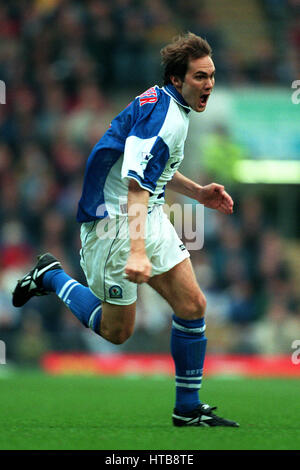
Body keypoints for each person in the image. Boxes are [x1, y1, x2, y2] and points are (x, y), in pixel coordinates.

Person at [12, 32, 239, 428]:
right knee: (118, 332)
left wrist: (197, 192)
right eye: (201, 77)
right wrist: (137, 250)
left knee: (193, 306)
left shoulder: (169, 105)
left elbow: (154, 170)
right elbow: (135, 187)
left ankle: (187, 409)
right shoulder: (165, 118)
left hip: (145, 213)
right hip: (113, 224)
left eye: (212, 75)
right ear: (177, 80)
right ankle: (53, 277)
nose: (209, 85)